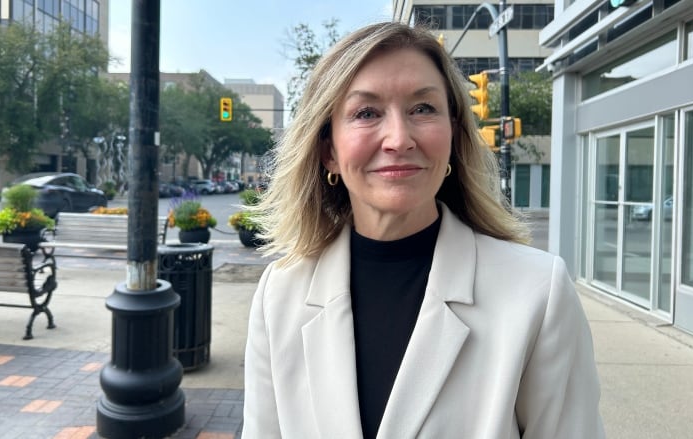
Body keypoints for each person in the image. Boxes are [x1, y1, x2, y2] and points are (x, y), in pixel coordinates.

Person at [242, 22, 605, 439]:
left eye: (423, 109)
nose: (399, 138)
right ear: (329, 151)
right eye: (366, 113)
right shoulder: (279, 294)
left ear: (452, 133)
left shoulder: (538, 293)